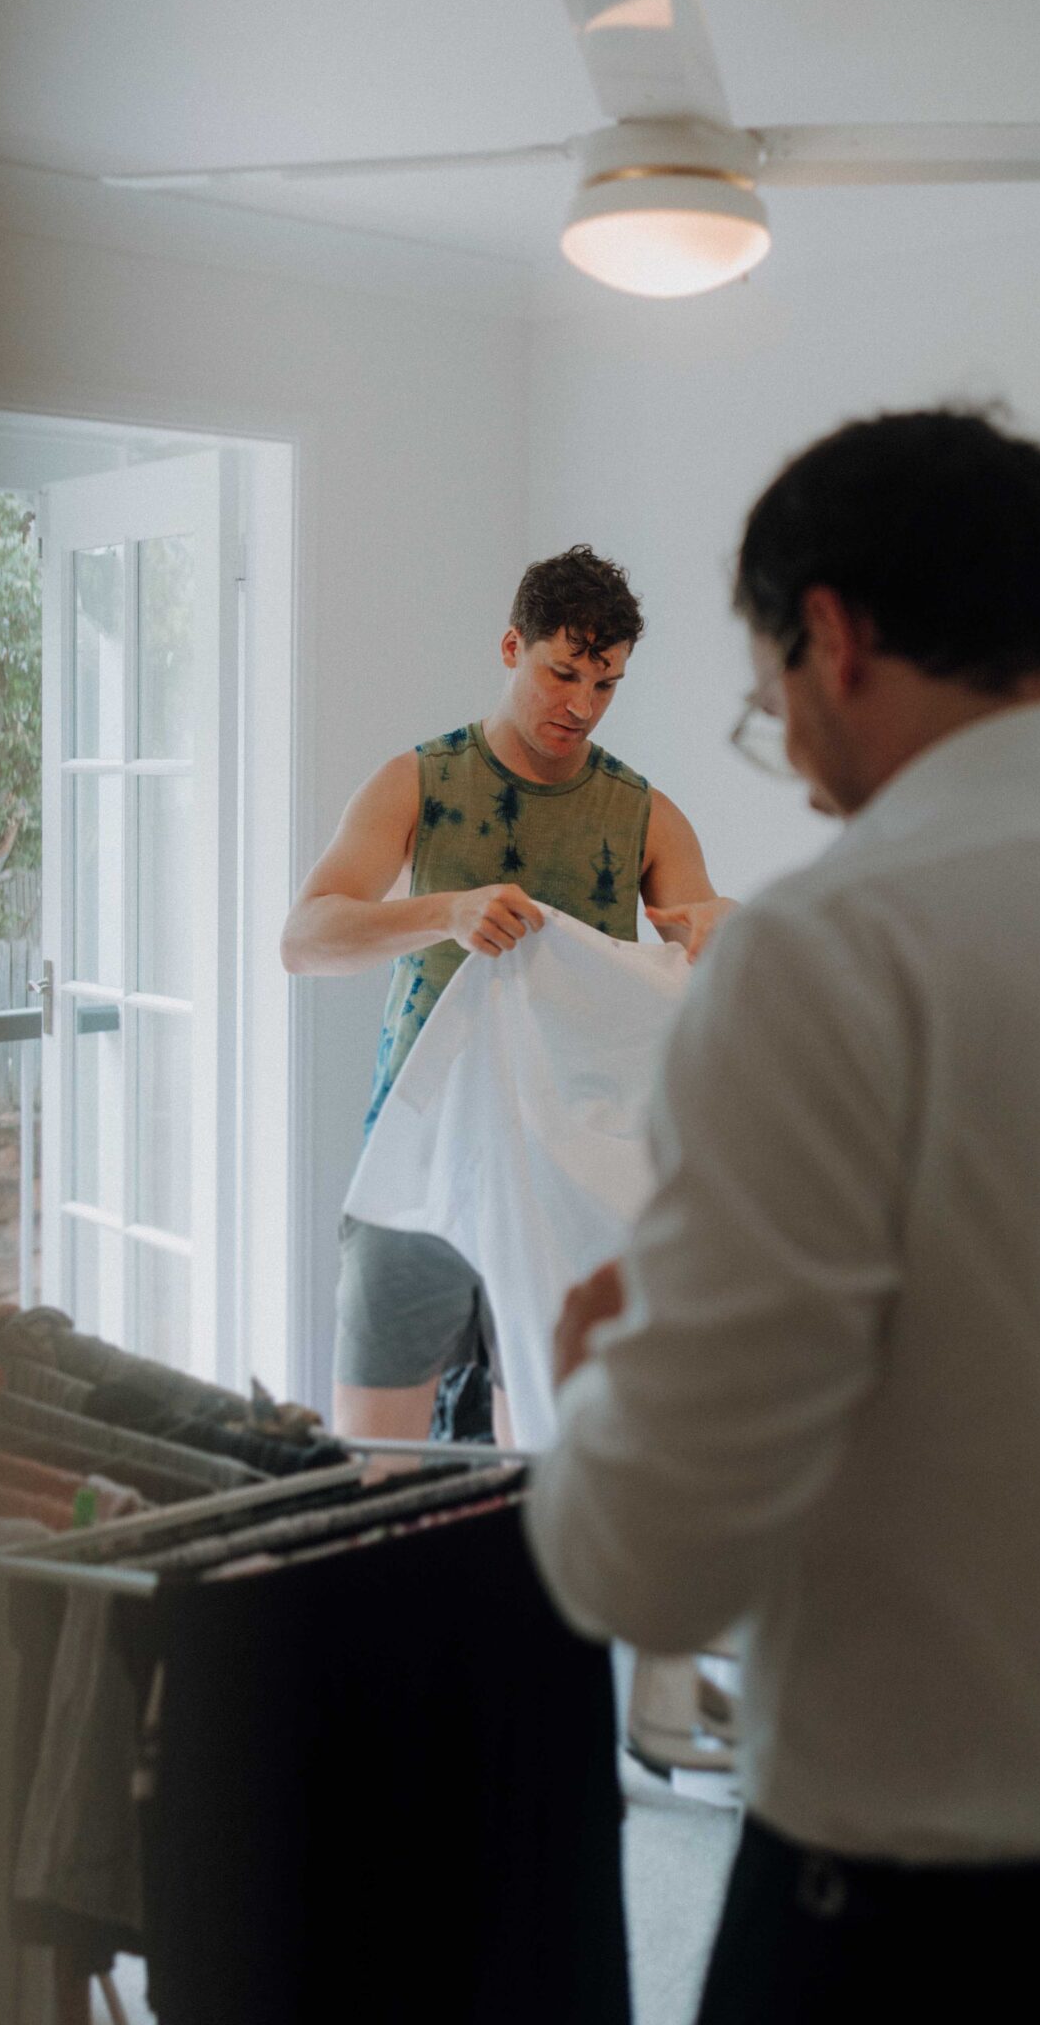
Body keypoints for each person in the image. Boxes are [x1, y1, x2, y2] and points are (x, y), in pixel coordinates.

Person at [525, 408, 1040, 2020]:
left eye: (766, 681)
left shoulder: (833, 955)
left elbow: (658, 1560)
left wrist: (597, 1382)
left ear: (830, 638)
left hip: (924, 1924)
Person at [281, 545, 735, 1444]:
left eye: (605, 684)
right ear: (509, 649)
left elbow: (701, 955)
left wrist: (721, 932)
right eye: (561, 673)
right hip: (420, 1156)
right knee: (379, 1460)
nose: (580, 706)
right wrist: (444, 913)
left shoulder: (645, 816)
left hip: (568, 1171)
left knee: (545, 1457)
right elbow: (305, 941)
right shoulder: (419, 782)